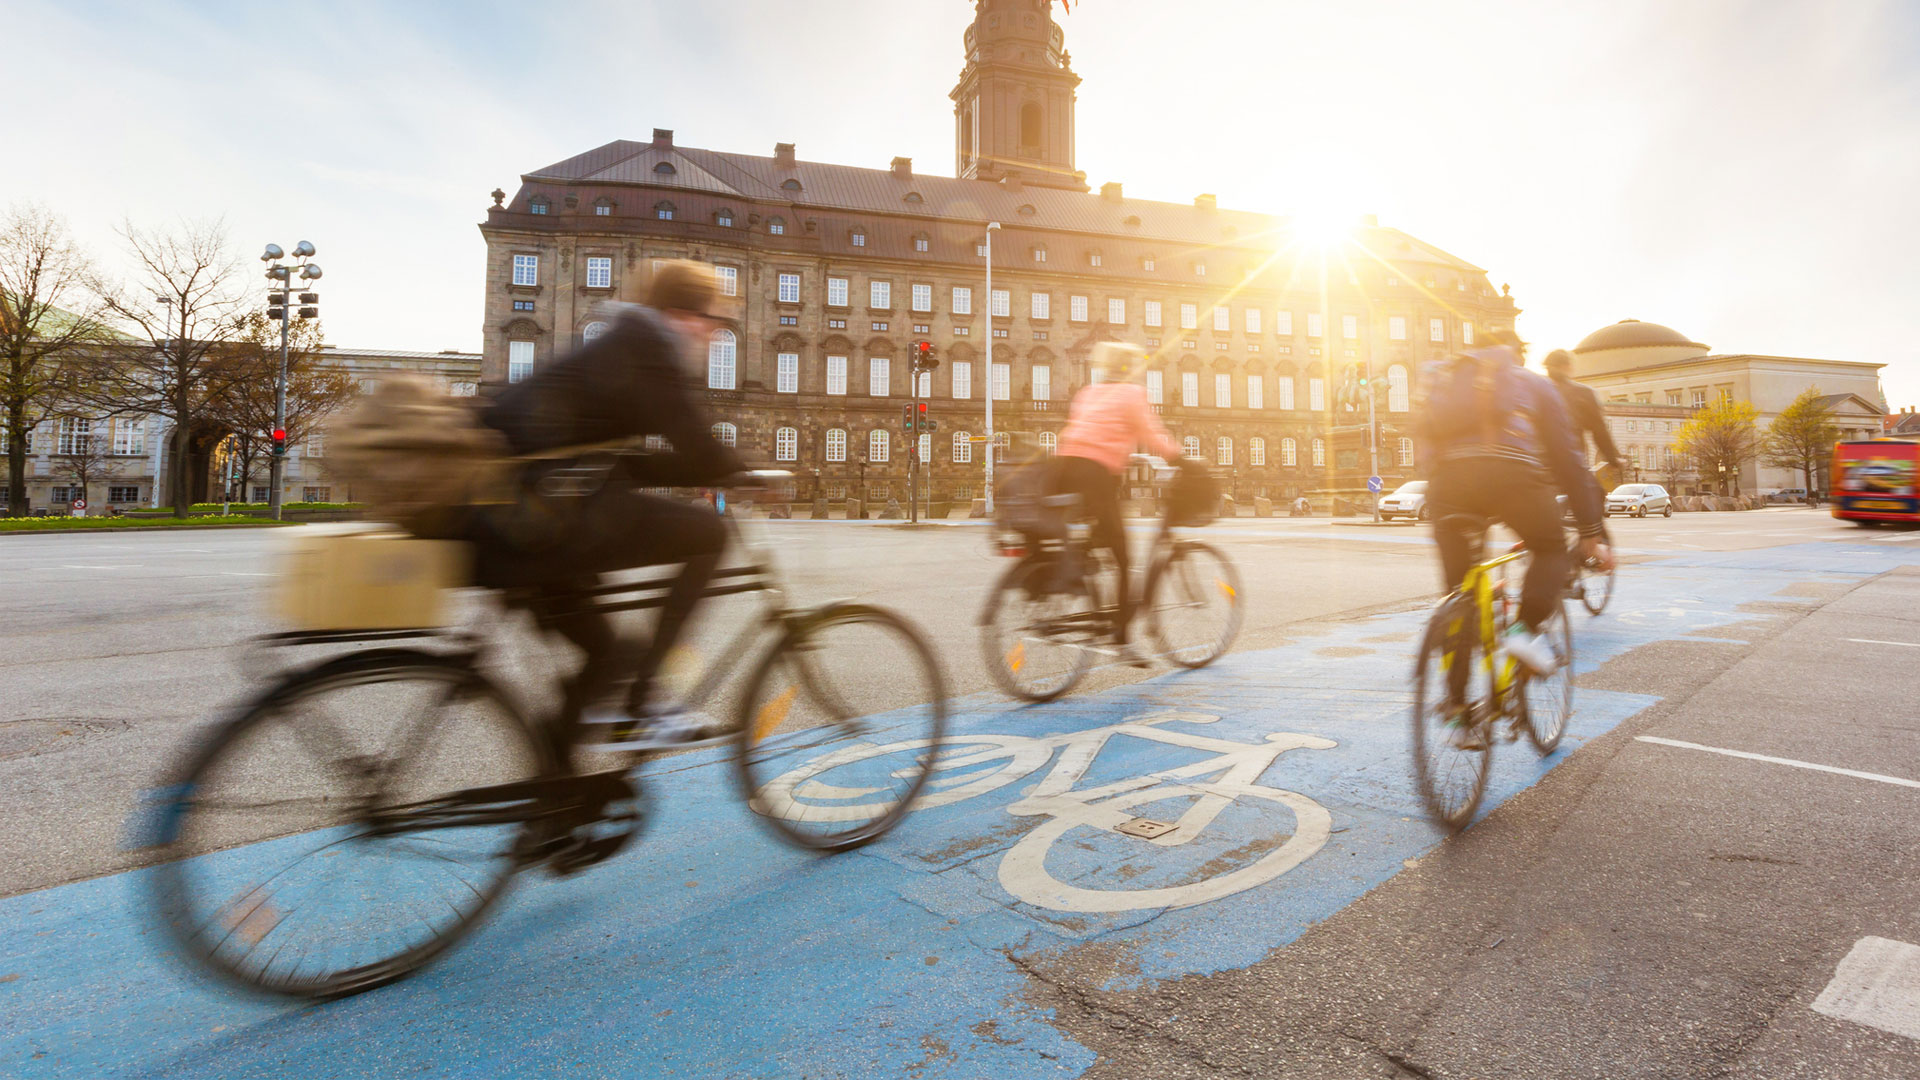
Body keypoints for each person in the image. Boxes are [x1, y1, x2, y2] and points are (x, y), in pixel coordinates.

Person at [470, 260, 745, 751]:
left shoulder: (625, 343)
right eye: (710, 317)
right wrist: (740, 471)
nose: (713, 331)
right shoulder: (648, 347)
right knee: (710, 533)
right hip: (535, 519)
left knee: (609, 658)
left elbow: (631, 464)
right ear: (682, 313)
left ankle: (558, 802)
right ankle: (643, 701)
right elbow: (694, 444)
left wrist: (717, 469)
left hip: (517, 517)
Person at [1417, 329, 1612, 690]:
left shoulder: (1447, 378)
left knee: (1459, 595)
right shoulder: (1533, 384)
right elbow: (1568, 459)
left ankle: (1458, 713)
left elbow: (1424, 441)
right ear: (1515, 353)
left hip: (1449, 484)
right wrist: (1589, 531)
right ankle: (1524, 632)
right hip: (1513, 477)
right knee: (1550, 547)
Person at [1052, 342, 1184, 666]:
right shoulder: (1131, 395)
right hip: (1096, 476)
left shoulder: (1087, 393)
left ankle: (1074, 575)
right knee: (1124, 558)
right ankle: (1121, 639)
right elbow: (1152, 435)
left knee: (1091, 541)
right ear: (1129, 368)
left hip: (1064, 470)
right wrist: (1183, 458)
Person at [1542, 349, 1623, 475]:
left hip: (1539, 463)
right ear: (1567, 366)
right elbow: (1599, 430)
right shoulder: (1582, 393)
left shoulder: (1536, 390)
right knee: (1592, 493)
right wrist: (1613, 459)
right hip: (1570, 461)